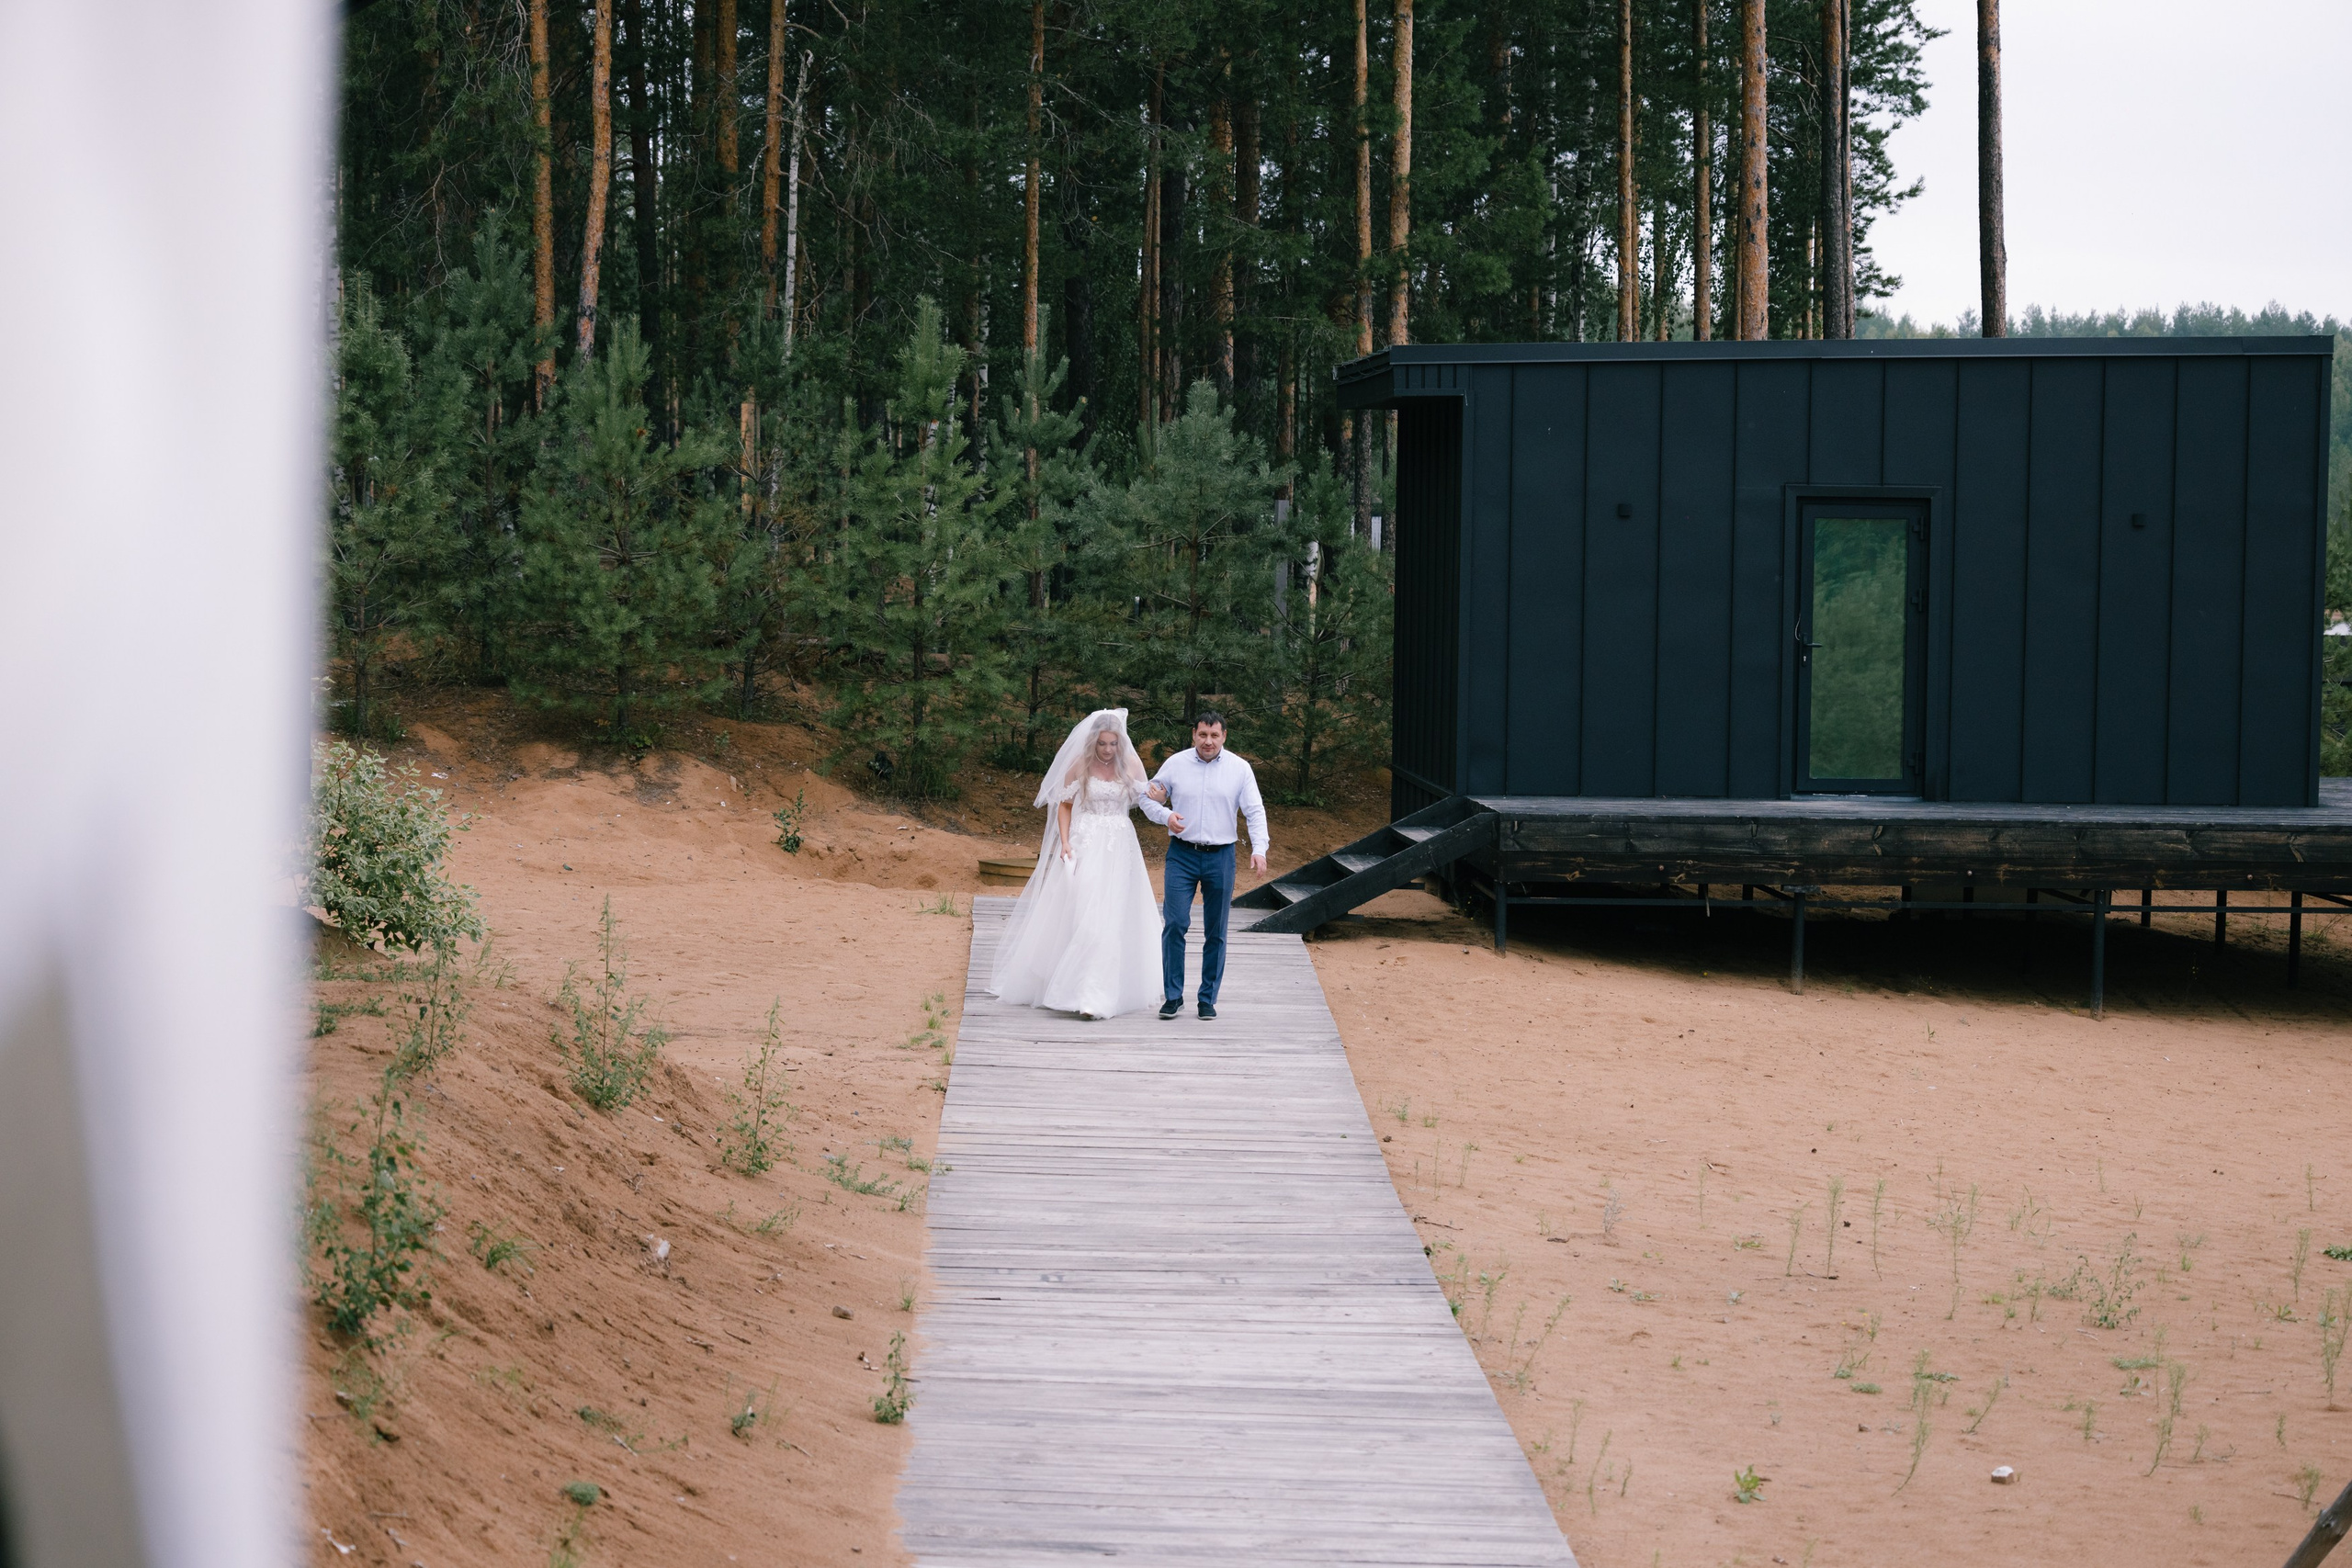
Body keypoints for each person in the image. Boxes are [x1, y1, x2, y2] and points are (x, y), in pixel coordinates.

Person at [988, 709, 1168, 1020]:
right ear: (1093, 741)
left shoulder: (1131, 764)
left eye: (1113, 743)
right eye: (1102, 743)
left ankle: (1095, 996)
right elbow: (1065, 805)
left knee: (1113, 914)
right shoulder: (1080, 765)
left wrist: (1160, 797)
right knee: (1085, 910)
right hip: (1087, 841)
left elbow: (1150, 798)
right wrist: (1066, 841)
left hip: (1120, 844)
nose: (1108, 750)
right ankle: (1077, 986)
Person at [1137, 711, 1269, 1021]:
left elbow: (1255, 811)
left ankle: (1207, 998)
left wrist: (1259, 849)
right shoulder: (1175, 764)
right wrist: (1166, 816)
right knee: (1175, 923)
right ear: (1194, 734)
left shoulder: (1240, 769)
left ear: (1224, 737)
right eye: (1202, 735)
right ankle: (1173, 997)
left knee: (1216, 930)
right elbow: (1147, 797)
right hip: (1181, 855)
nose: (1208, 741)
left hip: (1221, 857)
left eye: (1214, 736)